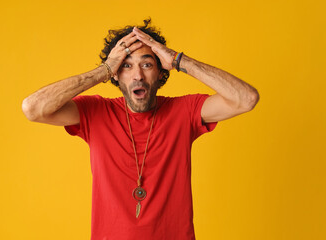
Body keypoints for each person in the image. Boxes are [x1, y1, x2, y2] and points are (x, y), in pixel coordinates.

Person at [22, 19, 259, 240]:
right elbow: (33, 108)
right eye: (126, 66)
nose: (138, 76)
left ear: (160, 72)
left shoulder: (184, 111)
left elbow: (245, 99)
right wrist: (103, 70)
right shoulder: (95, 112)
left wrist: (178, 59)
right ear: (116, 75)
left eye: (147, 64)